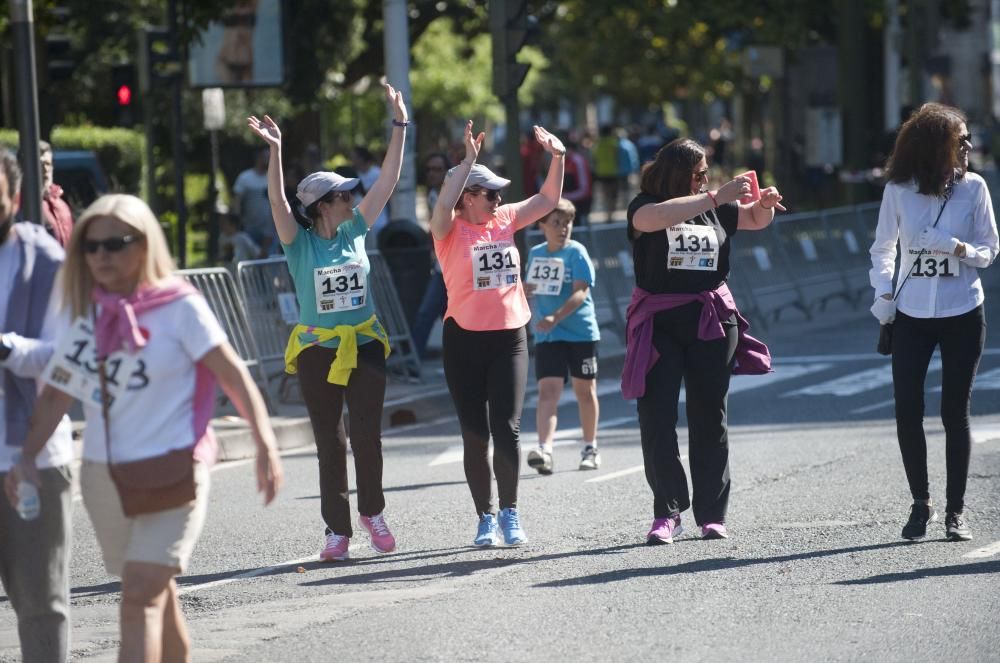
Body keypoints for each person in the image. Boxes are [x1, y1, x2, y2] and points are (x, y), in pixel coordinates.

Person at [4, 192, 283, 662]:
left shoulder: (180, 307)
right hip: (103, 477)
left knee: (137, 594)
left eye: (115, 243)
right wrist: (26, 459)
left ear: (144, 244)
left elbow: (232, 374)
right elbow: (56, 394)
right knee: (153, 589)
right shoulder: (85, 314)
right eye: (91, 247)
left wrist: (265, 443)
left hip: (176, 472)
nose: (101, 255)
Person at [247, 81, 407, 562]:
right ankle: (337, 531)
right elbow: (278, 203)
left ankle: (372, 512)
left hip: (364, 342)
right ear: (323, 206)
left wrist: (400, 123)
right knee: (330, 441)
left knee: (367, 434)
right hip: (318, 348)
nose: (353, 199)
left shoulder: (358, 229)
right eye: (343, 195)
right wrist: (276, 151)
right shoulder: (299, 243)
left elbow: (388, 182)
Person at [622, 138, 780, 545]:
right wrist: (714, 196)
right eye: (698, 173)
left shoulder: (716, 207)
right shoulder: (645, 204)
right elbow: (652, 221)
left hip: (712, 318)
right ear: (678, 172)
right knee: (656, 416)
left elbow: (754, 220)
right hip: (659, 321)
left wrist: (764, 205)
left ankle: (712, 514)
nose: (705, 179)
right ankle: (667, 512)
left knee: (710, 415)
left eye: (707, 172)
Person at [430, 120, 565, 547]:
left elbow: (547, 199)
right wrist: (467, 162)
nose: (499, 199)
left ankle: (510, 512)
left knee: (506, 427)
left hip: (510, 335)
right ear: (467, 197)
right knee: (474, 433)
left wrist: (557, 156)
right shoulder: (447, 230)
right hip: (464, 339)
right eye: (490, 193)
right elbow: (441, 205)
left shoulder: (504, 219)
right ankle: (484, 517)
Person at [869, 102, 999, 542]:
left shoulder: (974, 188)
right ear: (932, 145)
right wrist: (883, 293)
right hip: (911, 314)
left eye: (966, 138)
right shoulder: (898, 191)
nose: (967, 145)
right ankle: (920, 503)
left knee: (953, 411)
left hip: (963, 310)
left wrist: (955, 247)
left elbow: (989, 250)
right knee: (908, 409)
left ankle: (956, 512)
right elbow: (882, 249)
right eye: (958, 138)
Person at [0, 147, 72, 663]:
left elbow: (69, 358)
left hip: (31, 457)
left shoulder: (43, 259)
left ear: (14, 198)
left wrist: (9, 348)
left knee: (40, 609)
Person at [524, 198, 601, 475]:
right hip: (549, 335)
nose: (563, 228)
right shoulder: (535, 254)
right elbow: (531, 288)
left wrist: (554, 316)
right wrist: (526, 291)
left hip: (580, 332)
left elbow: (581, 292)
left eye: (567, 222)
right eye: (556, 222)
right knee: (548, 391)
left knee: (584, 390)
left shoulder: (576, 252)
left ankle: (590, 447)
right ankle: (544, 449)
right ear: (541, 224)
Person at [411, 152, 451, 358]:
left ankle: (413, 361)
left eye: (437, 169)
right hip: (440, 266)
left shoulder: (454, 196)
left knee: (428, 313)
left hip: (452, 267)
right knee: (437, 314)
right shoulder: (431, 194)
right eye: (429, 170)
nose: (432, 174)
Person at [233, 148, 275, 254]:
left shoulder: (274, 178)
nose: (268, 160)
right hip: (249, 228)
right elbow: (237, 202)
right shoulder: (245, 177)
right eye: (266, 157)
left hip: (270, 230)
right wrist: (237, 223)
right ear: (259, 157)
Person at [351, 145, 390, 244]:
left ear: (361, 158)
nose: (352, 160)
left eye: (354, 157)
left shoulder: (377, 173)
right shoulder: (355, 175)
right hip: (363, 223)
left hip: (380, 221)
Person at [39, 140, 74, 248]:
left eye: (48, 164)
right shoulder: (19, 207)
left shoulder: (61, 205)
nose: (45, 169)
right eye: (40, 164)